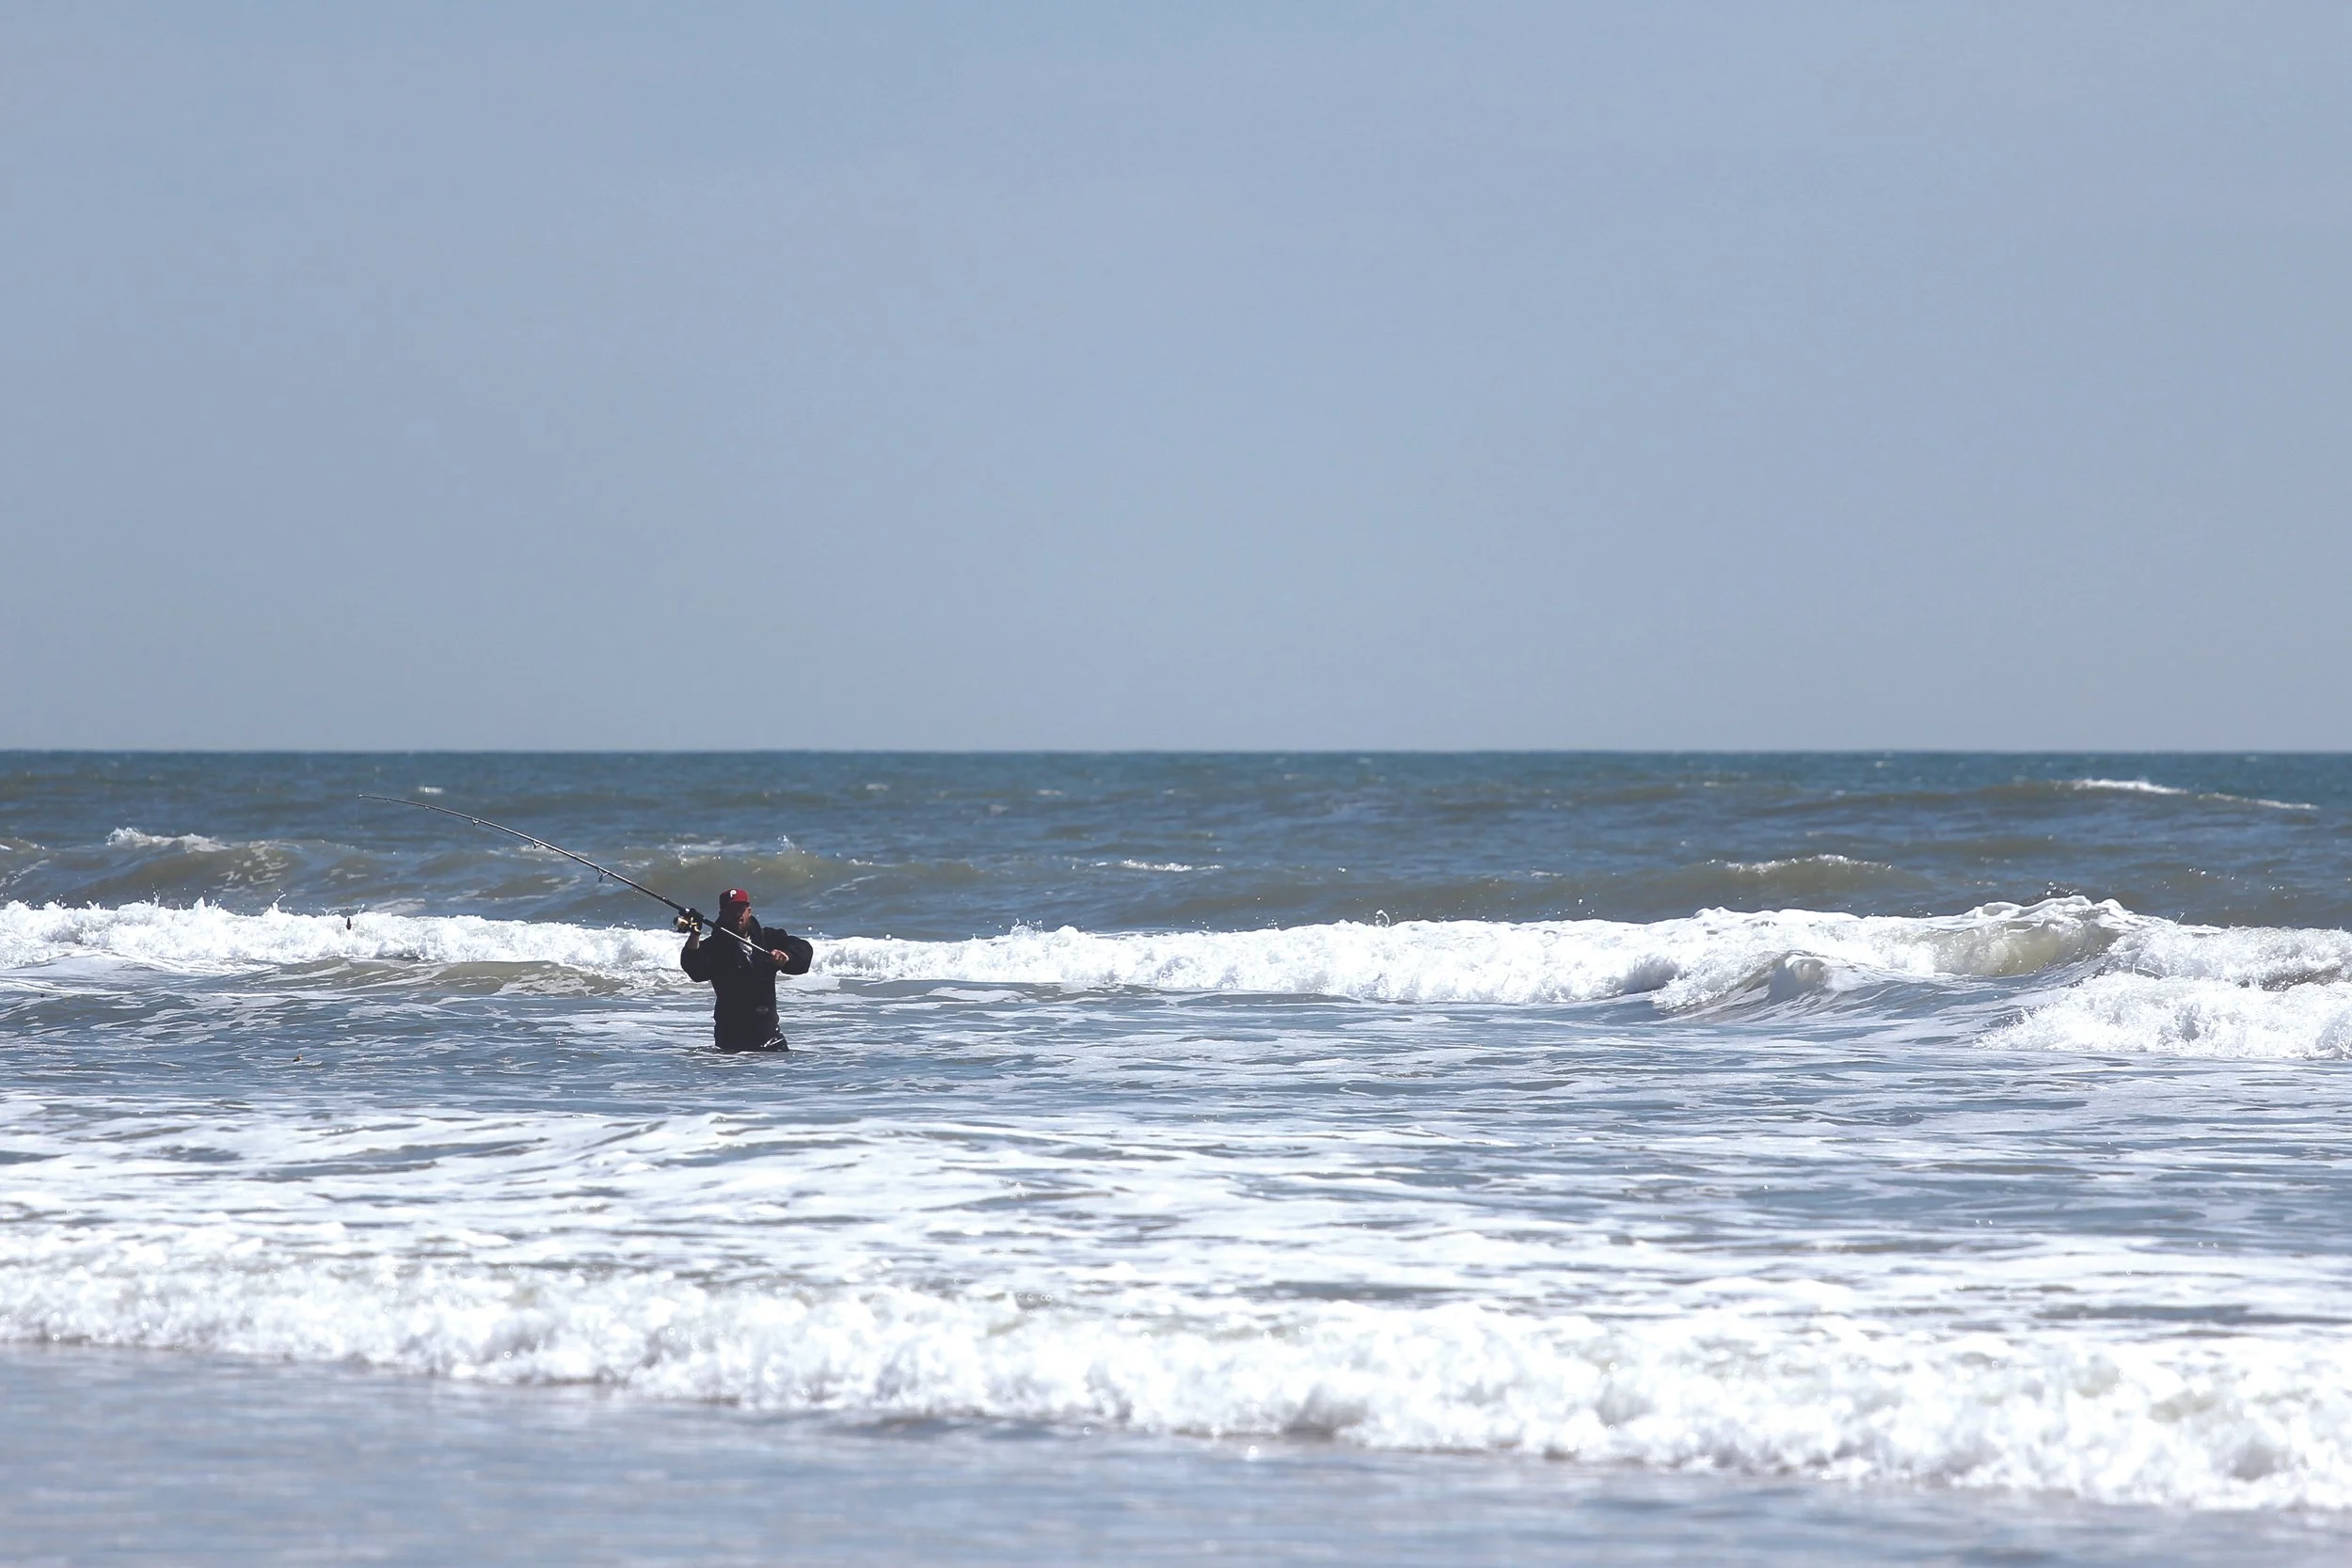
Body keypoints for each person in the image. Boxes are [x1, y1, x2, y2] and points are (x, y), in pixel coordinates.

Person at [678, 887, 813, 1051]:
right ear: (722, 914)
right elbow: (696, 969)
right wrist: (695, 935)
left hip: (770, 1037)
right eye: (730, 910)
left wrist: (787, 956)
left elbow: (803, 949)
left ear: (749, 911)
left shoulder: (767, 938)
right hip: (731, 1040)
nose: (737, 915)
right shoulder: (714, 947)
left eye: (740, 909)